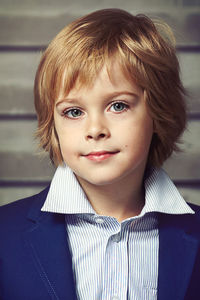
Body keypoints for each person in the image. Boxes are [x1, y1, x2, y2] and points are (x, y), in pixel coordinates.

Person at [0, 8, 199, 300]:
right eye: (74, 111)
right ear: (52, 124)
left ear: (158, 112)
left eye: (118, 106)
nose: (95, 130)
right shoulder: (5, 234)